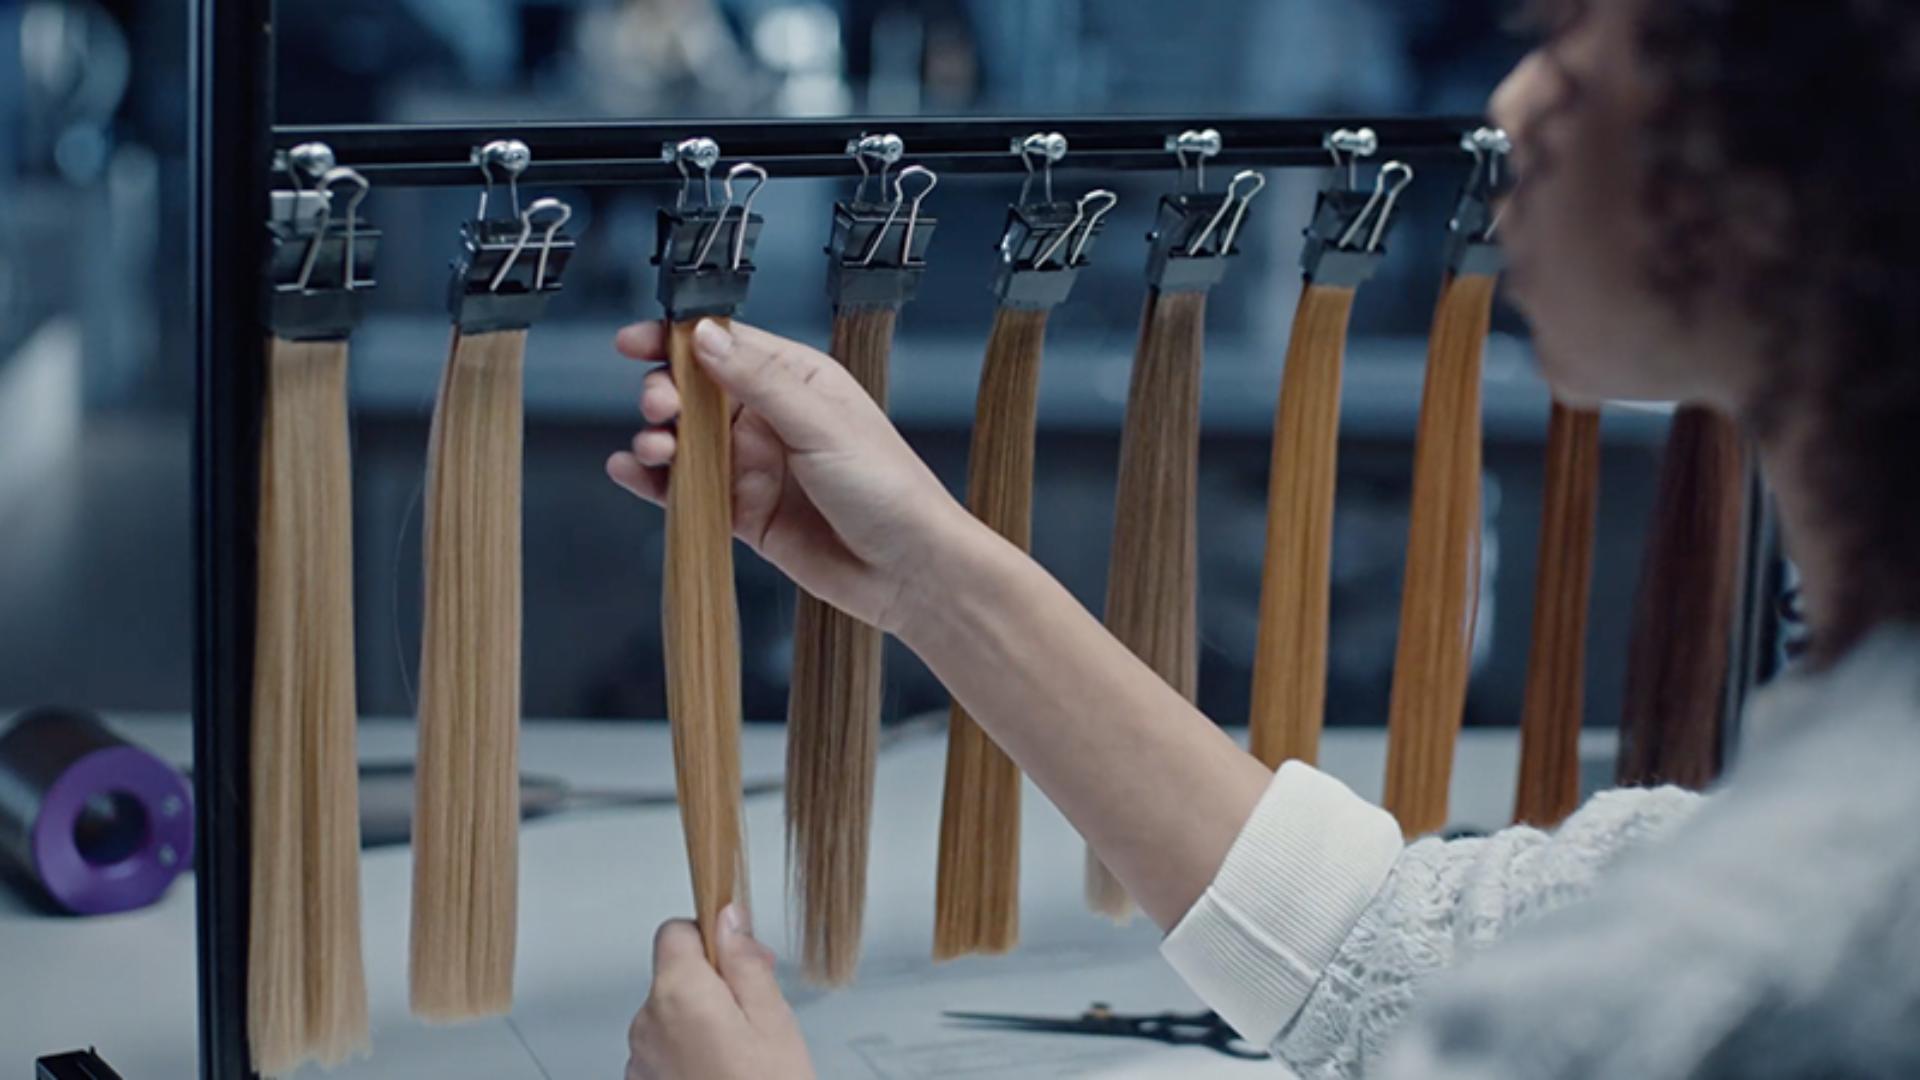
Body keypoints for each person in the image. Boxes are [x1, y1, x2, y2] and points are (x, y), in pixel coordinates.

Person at [612, 1, 1920, 1076]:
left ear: (1785, 165)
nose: (1513, 109)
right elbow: (1397, 947)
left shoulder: (1795, 947)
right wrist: (929, 575)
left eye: (1582, 40)